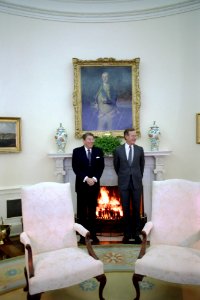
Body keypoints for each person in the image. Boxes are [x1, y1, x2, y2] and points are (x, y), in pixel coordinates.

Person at [113, 128, 145, 244]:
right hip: (123, 183)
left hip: (136, 183)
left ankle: (136, 234)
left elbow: (142, 167)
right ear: (126, 136)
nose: (134, 138)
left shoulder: (140, 150)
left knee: (137, 209)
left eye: (135, 136)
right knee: (125, 209)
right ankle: (126, 234)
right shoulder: (118, 150)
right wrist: (124, 176)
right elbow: (116, 167)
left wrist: (136, 177)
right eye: (132, 135)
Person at [72, 132, 105, 244]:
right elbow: (75, 168)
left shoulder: (98, 151)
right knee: (81, 213)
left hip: (94, 186)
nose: (91, 141)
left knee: (92, 211)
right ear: (84, 140)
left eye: (92, 139)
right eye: (89, 139)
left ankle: (93, 235)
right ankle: (82, 237)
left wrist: (94, 179)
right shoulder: (77, 151)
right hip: (82, 186)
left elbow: (101, 167)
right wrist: (86, 178)